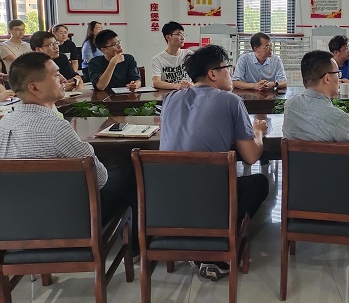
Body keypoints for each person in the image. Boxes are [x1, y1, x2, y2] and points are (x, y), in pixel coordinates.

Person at [0, 52, 138, 254]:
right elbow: (100, 179)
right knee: (128, 170)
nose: (64, 79)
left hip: (14, 226)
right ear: (34, 87)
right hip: (66, 225)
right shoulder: (55, 128)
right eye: (56, 75)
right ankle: (136, 249)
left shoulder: (4, 125)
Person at [160, 44, 269, 281]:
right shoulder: (230, 101)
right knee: (259, 182)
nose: (231, 73)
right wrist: (259, 132)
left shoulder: (170, 98)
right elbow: (251, 156)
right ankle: (218, 239)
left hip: (167, 200)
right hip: (210, 201)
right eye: (228, 68)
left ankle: (192, 239)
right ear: (212, 74)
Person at [282, 50, 349, 242]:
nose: (339, 79)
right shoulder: (338, 118)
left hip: (301, 190)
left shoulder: (289, 106)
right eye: (337, 74)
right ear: (327, 78)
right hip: (335, 196)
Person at [151, 21, 192, 90]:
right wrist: (177, 86)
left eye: (183, 35)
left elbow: (199, 76)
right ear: (168, 37)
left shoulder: (189, 55)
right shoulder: (157, 59)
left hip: (188, 92)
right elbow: (156, 82)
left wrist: (192, 84)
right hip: (168, 94)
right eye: (179, 34)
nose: (182, 38)